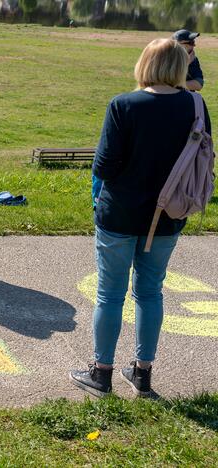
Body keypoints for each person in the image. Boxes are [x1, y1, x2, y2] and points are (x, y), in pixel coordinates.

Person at [70, 38, 211, 398]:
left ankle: (102, 373)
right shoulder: (196, 104)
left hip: (119, 214)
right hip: (169, 215)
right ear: (181, 66)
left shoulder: (123, 105)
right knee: (150, 293)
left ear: (144, 64)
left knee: (110, 295)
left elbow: (103, 166)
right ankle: (143, 373)